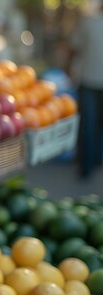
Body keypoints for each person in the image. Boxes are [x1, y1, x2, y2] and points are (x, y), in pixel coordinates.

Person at [68, 1, 103, 178]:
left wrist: (68, 68)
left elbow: (74, 47)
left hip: (89, 79)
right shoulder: (88, 21)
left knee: (88, 124)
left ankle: (86, 167)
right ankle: (97, 160)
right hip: (90, 79)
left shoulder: (88, 22)